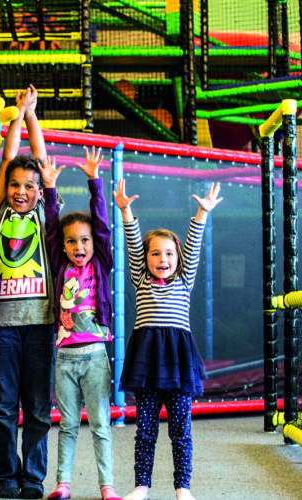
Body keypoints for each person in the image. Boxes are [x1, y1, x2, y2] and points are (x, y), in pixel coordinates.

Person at [114, 180, 222, 500]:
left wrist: (202, 212)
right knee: (145, 431)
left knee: (180, 432)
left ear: (178, 258)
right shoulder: (140, 278)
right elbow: (133, 242)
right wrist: (125, 210)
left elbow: (192, 244)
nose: (163, 259)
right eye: (156, 253)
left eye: (169, 253)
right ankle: (142, 486)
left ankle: (182, 487)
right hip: (147, 361)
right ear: (146, 259)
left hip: (178, 361)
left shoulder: (185, 278)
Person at [40, 148, 121, 500]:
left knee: (101, 425)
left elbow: (102, 227)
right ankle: (63, 484)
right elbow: (52, 231)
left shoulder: (99, 264)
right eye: (72, 241)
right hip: (66, 358)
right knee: (69, 425)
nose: (78, 246)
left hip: (95, 357)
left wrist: (95, 183)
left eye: (84, 240)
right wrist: (49, 190)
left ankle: (107, 486)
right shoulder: (60, 264)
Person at [0, 85, 55, 499]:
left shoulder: (45, 212)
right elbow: (8, 162)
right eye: (16, 185)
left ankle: (33, 477)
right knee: (3, 406)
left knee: (36, 407)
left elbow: (38, 162)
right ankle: (5, 475)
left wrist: (32, 116)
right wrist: (16, 116)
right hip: (1, 325)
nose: (21, 191)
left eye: (30, 187)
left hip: (41, 324)